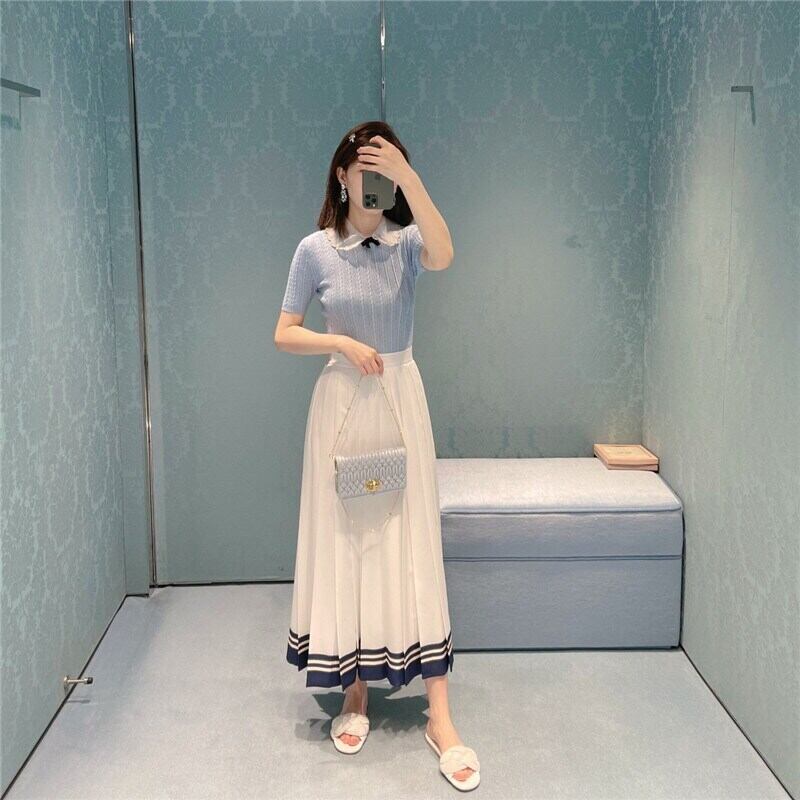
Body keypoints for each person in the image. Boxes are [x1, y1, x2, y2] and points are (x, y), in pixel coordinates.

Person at [274, 121, 480, 791]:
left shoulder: (407, 242)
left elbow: (447, 254)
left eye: (386, 173)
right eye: (366, 170)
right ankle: (355, 690)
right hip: (342, 402)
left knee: (412, 541)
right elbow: (283, 333)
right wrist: (339, 344)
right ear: (342, 176)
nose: (375, 184)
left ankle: (440, 716)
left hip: (399, 398)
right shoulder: (315, 250)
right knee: (349, 544)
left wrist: (411, 180)